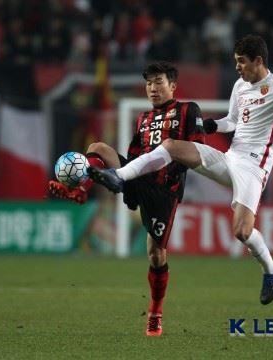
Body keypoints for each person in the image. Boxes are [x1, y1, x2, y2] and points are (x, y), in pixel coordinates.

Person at [89, 35, 273, 306]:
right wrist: (214, 126)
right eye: (236, 62)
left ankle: (271, 270)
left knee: (242, 232)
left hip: (253, 168)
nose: (237, 67)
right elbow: (233, 121)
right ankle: (118, 176)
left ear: (258, 61)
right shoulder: (240, 86)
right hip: (230, 158)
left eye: (241, 62)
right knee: (172, 145)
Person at [49, 61, 206, 336]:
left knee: (155, 254)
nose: (152, 88)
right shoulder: (142, 118)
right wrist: (123, 173)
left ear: (173, 86)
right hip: (136, 176)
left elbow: (199, 151)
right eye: (149, 83)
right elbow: (134, 156)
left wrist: (174, 169)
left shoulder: (188, 110)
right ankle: (80, 189)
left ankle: (155, 311)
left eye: (158, 82)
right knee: (97, 147)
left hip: (164, 190)